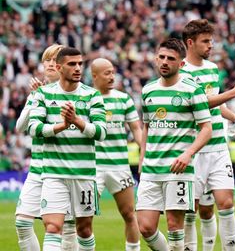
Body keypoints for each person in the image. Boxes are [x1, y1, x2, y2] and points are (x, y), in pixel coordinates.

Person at [180, 19, 235, 251]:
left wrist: (233, 117)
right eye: (205, 41)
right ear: (190, 43)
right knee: (191, 209)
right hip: (194, 149)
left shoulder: (212, 69)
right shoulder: (181, 71)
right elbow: (198, 103)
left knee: (226, 202)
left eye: (211, 40)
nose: (211, 45)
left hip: (218, 147)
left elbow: (215, 103)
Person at [28, 47, 107, 251]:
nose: (78, 68)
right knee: (53, 227)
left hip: (84, 174)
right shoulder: (43, 94)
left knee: (84, 230)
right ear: (58, 66)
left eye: (80, 63)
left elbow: (101, 132)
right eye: (72, 64)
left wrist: (77, 122)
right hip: (53, 174)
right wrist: (61, 126)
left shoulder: (92, 96)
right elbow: (33, 128)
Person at [136, 38, 212, 251]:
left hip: (178, 169)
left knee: (174, 226)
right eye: (161, 57)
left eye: (171, 58)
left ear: (181, 63)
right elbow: (147, 128)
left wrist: (188, 154)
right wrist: (142, 159)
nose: (165, 62)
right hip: (151, 168)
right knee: (146, 227)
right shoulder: (148, 90)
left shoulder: (192, 90)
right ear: (155, 59)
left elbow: (207, 129)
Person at [14, 44, 78, 251]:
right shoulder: (38, 94)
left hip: (63, 168)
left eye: (55, 59)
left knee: (67, 230)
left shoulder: (73, 91)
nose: (51, 63)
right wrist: (33, 97)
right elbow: (20, 127)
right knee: (23, 223)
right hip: (37, 168)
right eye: (47, 60)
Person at [92, 58, 144, 251]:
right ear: (94, 76)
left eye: (113, 72)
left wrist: (143, 152)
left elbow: (137, 130)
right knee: (83, 217)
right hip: (93, 167)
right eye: (107, 73)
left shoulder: (123, 99)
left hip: (119, 166)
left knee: (130, 214)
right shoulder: (86, 99)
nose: (112, 76)